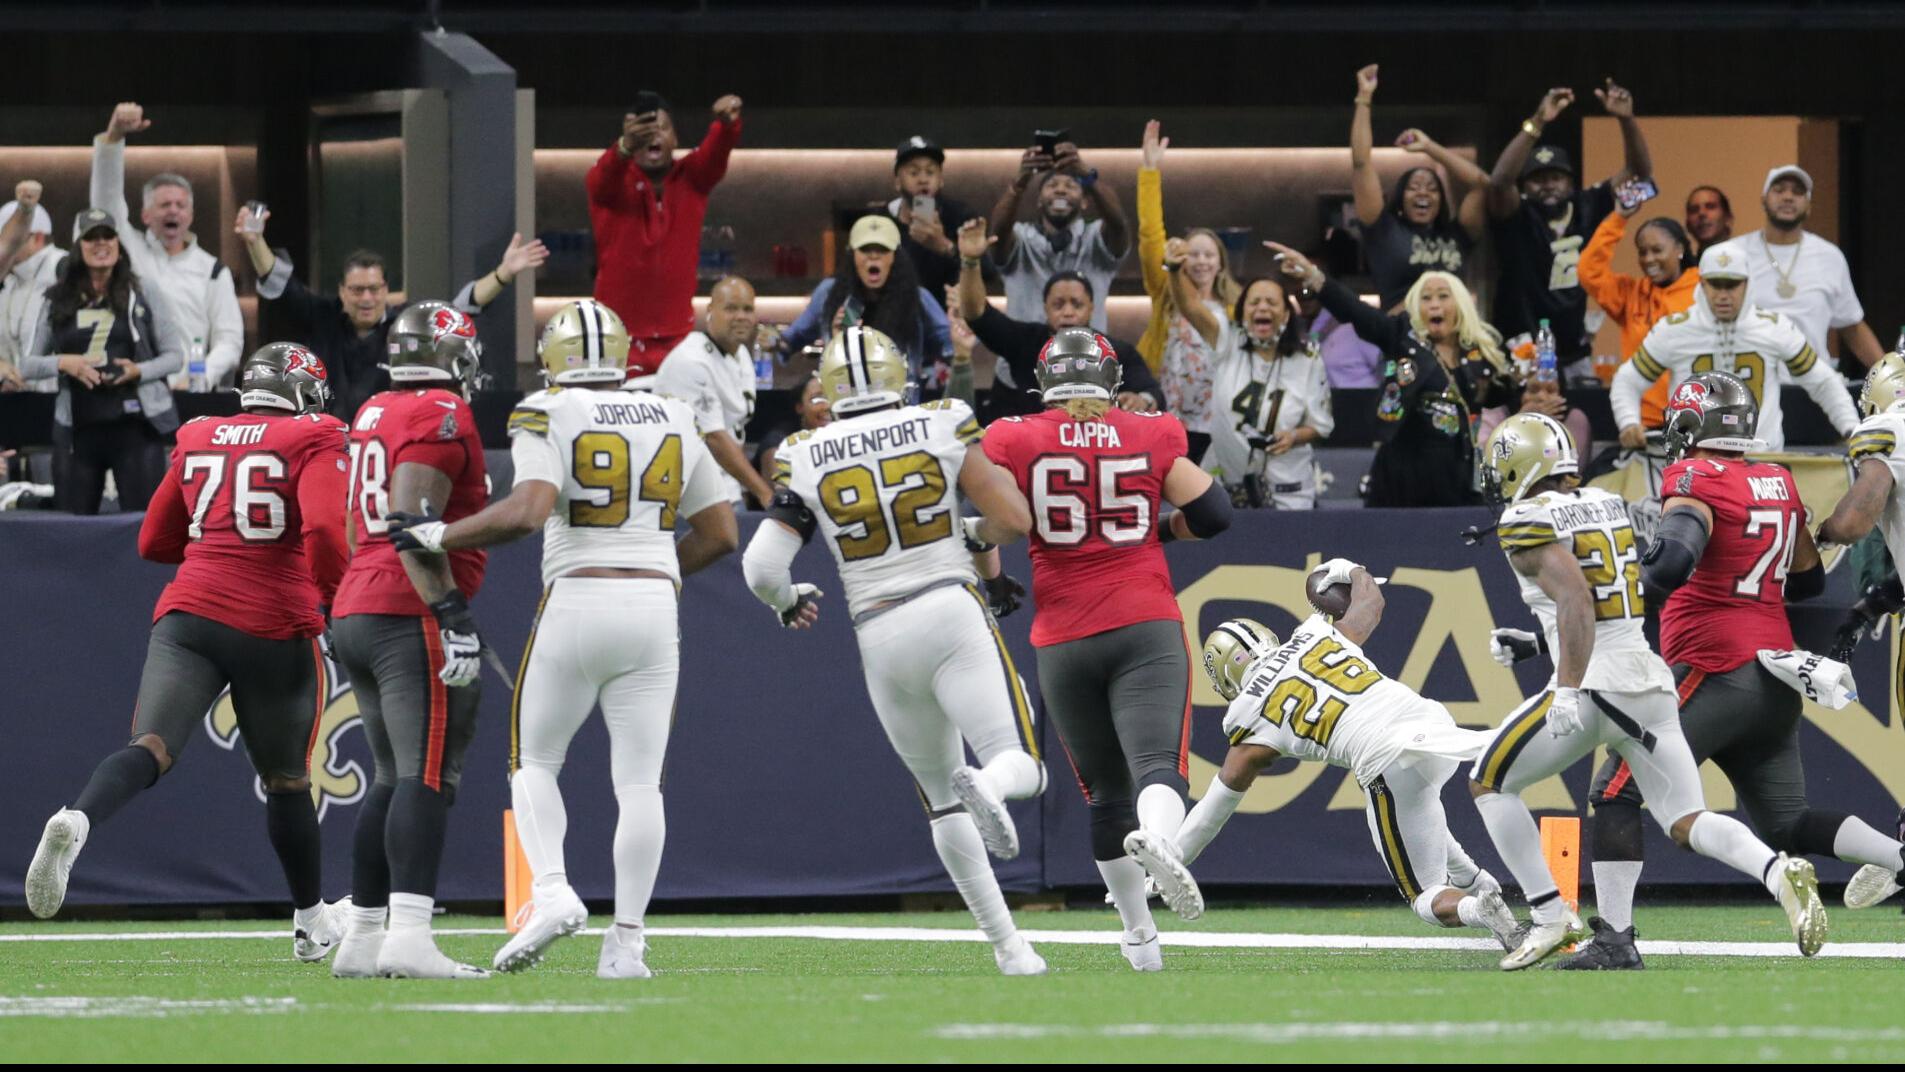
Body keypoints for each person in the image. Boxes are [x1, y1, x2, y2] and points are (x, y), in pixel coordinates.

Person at [388, 300, 739, 979]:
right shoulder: (671, 409)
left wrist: (442, 534)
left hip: (578, 594)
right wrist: (659, 568)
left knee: (534, 762)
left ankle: (550, 890)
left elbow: (527, 512)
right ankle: (627, 945)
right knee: (640, 784)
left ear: (555, 357)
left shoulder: (546, 410)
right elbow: (722, 532)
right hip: (652, 606)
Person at [1546, 372, 1905, 970]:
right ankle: (1901, 859)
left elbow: (1676, 559)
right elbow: (1811, 581)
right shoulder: (1778, 480)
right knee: (1788, 822)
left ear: (1691, 425)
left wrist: (1629, 577)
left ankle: (1614, 938)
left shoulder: (1692, 476)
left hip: (1713, 664)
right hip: (1775, 675)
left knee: (1614, 791)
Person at [24, 343, 351, 962]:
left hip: (189, 614)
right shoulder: (317, 433)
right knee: (286, 779)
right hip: (273, 623)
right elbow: (328, 530)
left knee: (147, 748)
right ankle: (311, 923)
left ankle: (79, 819)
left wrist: (218, 551)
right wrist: (335, 602)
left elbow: (154, 538)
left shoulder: (200, 432)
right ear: (304, 394)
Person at [741, 326, 1050, 977]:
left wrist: (787, 600)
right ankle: (990, 785)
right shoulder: (939, 421)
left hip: (877, 631)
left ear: (830, 388)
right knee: (1017, 760)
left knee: (940, 800)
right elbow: (1014, 520)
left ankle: (1009, 948)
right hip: (947, 606)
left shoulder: (804, 450)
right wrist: (965, 531)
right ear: (897, 374)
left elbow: (761, 564)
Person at [1470, 410, 1827, 970]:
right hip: (1650, 679)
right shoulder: (1606, 502)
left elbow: (1577, 602)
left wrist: (1565, 688)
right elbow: (1622, 595)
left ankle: (1547, 914)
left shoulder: (1524, 520)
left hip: (1594, 682)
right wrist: (1535, 642)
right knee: (1687, 819)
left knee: (1489, 781)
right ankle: (1779, 873)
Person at [982, 328, 1233, 969]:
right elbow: (1215, 513)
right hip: (1141, 615)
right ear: (1111, 380)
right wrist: (1157, 528)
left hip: (1061, 633)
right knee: (1157, 764)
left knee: (1102, 793)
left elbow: (985, 521)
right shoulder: (1149, 432)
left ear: (1044, 382)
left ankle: (1139, 937)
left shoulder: (1012, 436)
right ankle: (1159, 838)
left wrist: (994, 580)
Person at [1179, 585, 1521, 952]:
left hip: (1388, 758)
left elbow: (1211, 813)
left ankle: (1478, 908)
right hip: (1433, 725)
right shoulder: (1314, 633)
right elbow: (1371, 601)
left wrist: (1173, 861)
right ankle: (1491, 896)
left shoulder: (1248, 714)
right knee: (1419, 809)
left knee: (1426, 896)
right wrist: (1345, 570)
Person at [327, 302, 492, 980]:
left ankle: (363, 939)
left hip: (361, 602)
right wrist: (451, 614)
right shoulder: (437, 413)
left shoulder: (374, 409)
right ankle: (409, 935)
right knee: (424, 775)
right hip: (407, 608)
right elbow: (409, 520)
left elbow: (350, 520)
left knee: (393, 778)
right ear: (454, 356)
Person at [1267, 244, 1517, 508]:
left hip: (1458, 477)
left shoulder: (1478, 354)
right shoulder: (1401, 336)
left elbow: (1500, 397)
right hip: (1403, 476)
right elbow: (1356, 312)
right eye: (1426, 298)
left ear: (1461, 304)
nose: (1434, 304)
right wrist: (1313, 277)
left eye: (1443, 296)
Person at [237, 206, 545, 420]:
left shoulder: (406, 323)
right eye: (357, 290)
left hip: (385, 439)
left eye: (375, 288)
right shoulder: (323, 316)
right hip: (328, 439)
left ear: (386, 289)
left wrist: (504, 273)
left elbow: (460, 307)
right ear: (342, 291)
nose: (367, 298)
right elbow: (281, 284)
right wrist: (255, 242)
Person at [1612, 240, 1858, 452]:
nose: (1723, 294)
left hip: (1762, 461)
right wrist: (1629, 422)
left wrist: (1852, 429)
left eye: (1731, 285)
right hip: (1695, 464)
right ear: (1701, 283)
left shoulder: (1774, 328)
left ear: (1747, 284)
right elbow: (1628, 379)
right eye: (1715, 284)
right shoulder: (1675, 330)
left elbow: (1822, 381)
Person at [22, 208, 184, 513]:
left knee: (142, 525)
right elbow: (27, 365)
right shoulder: (55, 298)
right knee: (72, 530)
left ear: (118, 243)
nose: (101, 244)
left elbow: (175, 356)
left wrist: (139, 371)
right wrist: (64, 363)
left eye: (107, 235)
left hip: (135, 426)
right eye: (91, 237)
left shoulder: (143, 290)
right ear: (77, 246)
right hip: (78, 430)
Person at [1486, 81, 1653, 364]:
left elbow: (1640, 173)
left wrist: (1626, 119)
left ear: (1570, 182)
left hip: (1576, 351)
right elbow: (1499, 182)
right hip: (1521, 350)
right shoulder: (1518, 214)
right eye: (1538, 179)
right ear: (1525, 186)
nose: (1548, 186)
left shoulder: (1587, 205)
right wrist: (1537, 122)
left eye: (1556, 178)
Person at [588, 91, 744, 372]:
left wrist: (725, 125)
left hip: (677, 340)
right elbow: (600, 181)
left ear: (675, 139)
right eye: (643, 130)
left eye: (662, 128)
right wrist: (623, 148)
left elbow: (715, 152)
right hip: (617, 337)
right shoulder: (610, 182)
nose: (653, 136)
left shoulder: (693, 178)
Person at [93, 103, 243, 392]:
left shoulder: (212, 271)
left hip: (190, 391)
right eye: (164, 205)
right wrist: (114, 137)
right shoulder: (131, 250)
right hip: (133, 388)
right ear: (146, 215)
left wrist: (200, 378)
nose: (173, 212)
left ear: (190, 215)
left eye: (180, 205)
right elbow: (106, 200)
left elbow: (230, 341)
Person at [954, 218, 1160, 421]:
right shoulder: (1025, 342)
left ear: (1091, 309)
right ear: (1046, 309)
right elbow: (977, 313)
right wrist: (970, 261)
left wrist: (1142, 400)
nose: (1068, 312)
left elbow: (1152, 392)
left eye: (1076, 304)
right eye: (1058, 304)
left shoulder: (1117, 351)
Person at [1349, 64, 1489, 310]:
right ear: (1400, 198)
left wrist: (1430, 147)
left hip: (1452, 340)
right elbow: (1361, 162)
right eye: (1413, 187)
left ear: (1441, 200)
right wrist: (1364, 98)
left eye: (1432, 188)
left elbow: (1481, 184)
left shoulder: (1457, 234)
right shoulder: (1384, 230)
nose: (1423, 192)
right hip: (1401, 338)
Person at [779, 216, 952, 395]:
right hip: (843, 401)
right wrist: (837, 341)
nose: (873, 256)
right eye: (865, 249)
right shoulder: (829, 293)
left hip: (898, 405)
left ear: (895, 257)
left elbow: (951, 344)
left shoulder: (917, 297)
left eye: (882, 249)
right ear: (852, 254)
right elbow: (788, 342)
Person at [1202, 276, 1334, 509]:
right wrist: (1173, 269)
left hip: (1288, 491)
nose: (1262, 307)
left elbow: (1321, 425)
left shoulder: (1308, 360)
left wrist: (1294, 436)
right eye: (1254, 302)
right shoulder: (1227, 345)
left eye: (1271, 302)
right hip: (1224, 488)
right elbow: (1191, 310)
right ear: (1242, 313)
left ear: (1286, 315)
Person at [1739, 165, 1884, 368]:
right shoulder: (1734, 253)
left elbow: (1852, 327)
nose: (1788, 197)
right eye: (1779, 190)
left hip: (1813, 387)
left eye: (1798, 192)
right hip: (1751, 386)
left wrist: (1893, 381)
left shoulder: (1829, 256)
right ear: (1763, 200)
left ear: (1809, 206)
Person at [655, 275, 776, 507]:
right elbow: (714, 438)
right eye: (731, 308)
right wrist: (765, 493)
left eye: (747, 309)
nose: (741, 316)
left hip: (727, 488)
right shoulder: (690, 360)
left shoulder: (740, 354)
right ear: (710, 310)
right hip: (687, 496)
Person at [991, 135, 1129, 333]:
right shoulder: (1021, 238)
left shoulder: (1094, 238)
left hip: (1084, 359)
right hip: (1025, 360)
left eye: (1071, 186)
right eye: (1052, 185)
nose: (1061, 190)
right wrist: (1019, 183)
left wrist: (1087, 176)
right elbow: (998, 232)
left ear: (1084, 202)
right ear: (1039, 201)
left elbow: (1118, 223)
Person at [1578, 205, 1699, 425]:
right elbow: (1589, 271)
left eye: (1657, 250)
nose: (1648, 259)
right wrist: (1619, 218)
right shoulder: (1630, 294)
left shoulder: (1703, 290)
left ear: (1680, 249)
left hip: (1695, 421)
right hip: (1645, 423)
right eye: (1642, 252)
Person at [885, 136, 990, 307]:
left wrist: (945, 246)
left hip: (950, 318)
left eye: (930, 172)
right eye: (913, 173)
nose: (923, 180)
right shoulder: (882, 220)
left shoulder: (960, 216)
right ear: (897, 182)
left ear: (941, 180)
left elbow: (988, 272)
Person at [0, 182, 62, 392]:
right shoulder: (7, 280)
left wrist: (25, 209)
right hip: (11, 398)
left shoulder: (65, 268)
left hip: (57, 399)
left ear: (37, 237)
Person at [753, 372, 832, 488]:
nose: (827, 406)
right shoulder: (778, 443)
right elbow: (778, 496)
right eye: (817, 399)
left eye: (833, 397)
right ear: (800, 407)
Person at [1685, 185, 1735, 255]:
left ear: (1727, 217)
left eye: (1710, 207)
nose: (1701, 213)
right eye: (1694, 210)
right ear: (1688, 224)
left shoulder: (1749, 261)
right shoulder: (1684, 265)